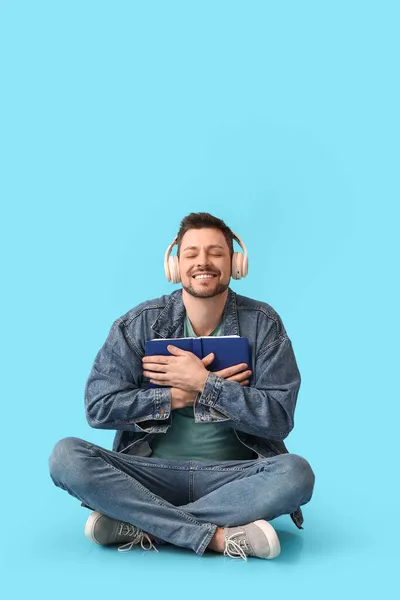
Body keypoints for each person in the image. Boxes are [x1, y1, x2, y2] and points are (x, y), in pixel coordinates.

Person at [49, 212, 315, 561]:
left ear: (236, 262)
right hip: (152, 476)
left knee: (296, 474)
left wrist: (205, 384)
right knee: (66, 457)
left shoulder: (263, 324)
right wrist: (174, 396)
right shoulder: (140, 323)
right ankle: (219, 537)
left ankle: (144, 524)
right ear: (175, 265)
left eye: (215, 252)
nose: (203, 262)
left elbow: (279, 419)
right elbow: (99, 406)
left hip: (234, 480)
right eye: (191, 253)